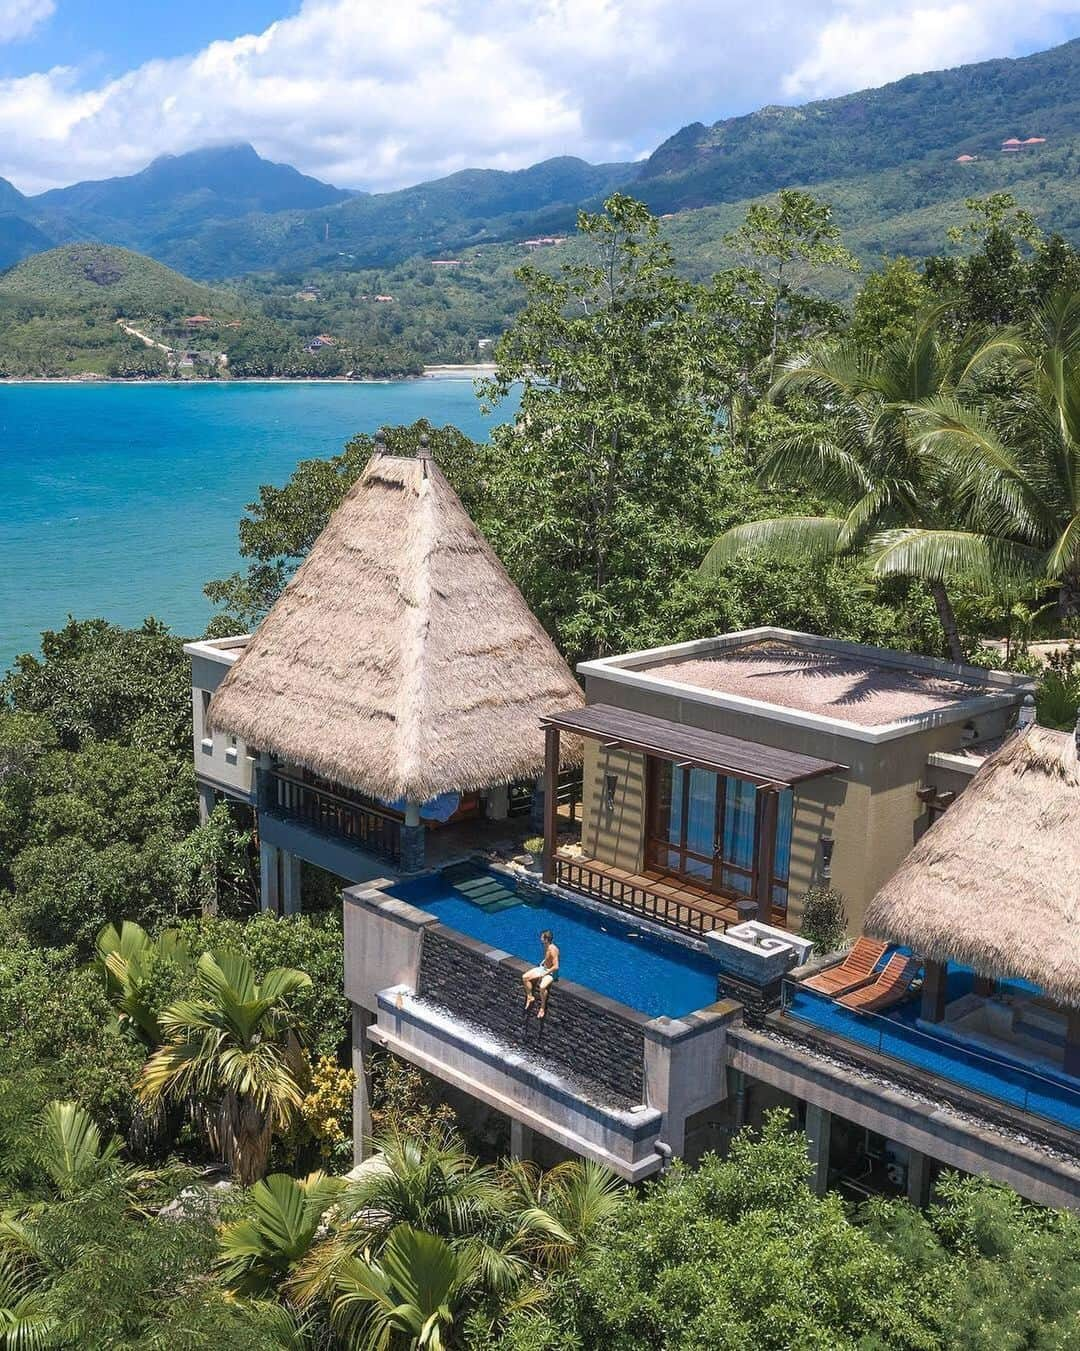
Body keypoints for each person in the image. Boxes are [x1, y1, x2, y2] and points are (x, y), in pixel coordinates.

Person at [522, 929, 559, 1019]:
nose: (540, 939)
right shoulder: (547, 946)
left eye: (542, 937)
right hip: (543, 968)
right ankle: (530, 997)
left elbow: (556, 966)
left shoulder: (552, 949)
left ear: (546, 939)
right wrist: (544, 961)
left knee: (542, 987)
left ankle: (542, 1007)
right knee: (525, 977)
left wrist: (546, 973)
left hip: (550, 973)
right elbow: (548, 958)